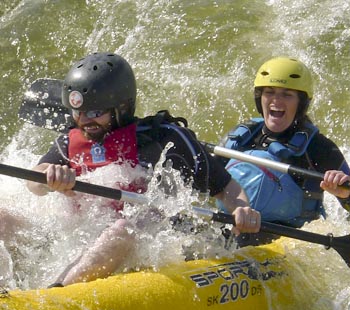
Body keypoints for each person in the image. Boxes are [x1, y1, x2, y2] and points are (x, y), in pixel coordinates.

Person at [26, 52, 261, 286]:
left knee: (123, 228)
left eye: (95, 113)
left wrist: (242, 210)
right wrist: (48, 177)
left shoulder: (165, 139)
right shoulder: (70, 141)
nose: (85, 120)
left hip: (147, 236)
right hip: (83, 235)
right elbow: (33, 182)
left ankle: (55, 296)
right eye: (78, 112)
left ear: (123, 107)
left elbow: (224, 186)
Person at [216, 56, 350, 246]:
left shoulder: (319, 148)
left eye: (287, 94)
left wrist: (344, 193)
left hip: (284, 240)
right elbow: (207, 180)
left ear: (301, 103)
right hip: (230, 226)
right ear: (259, 98)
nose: (276, 100)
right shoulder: (241, 137)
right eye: (269, 92)